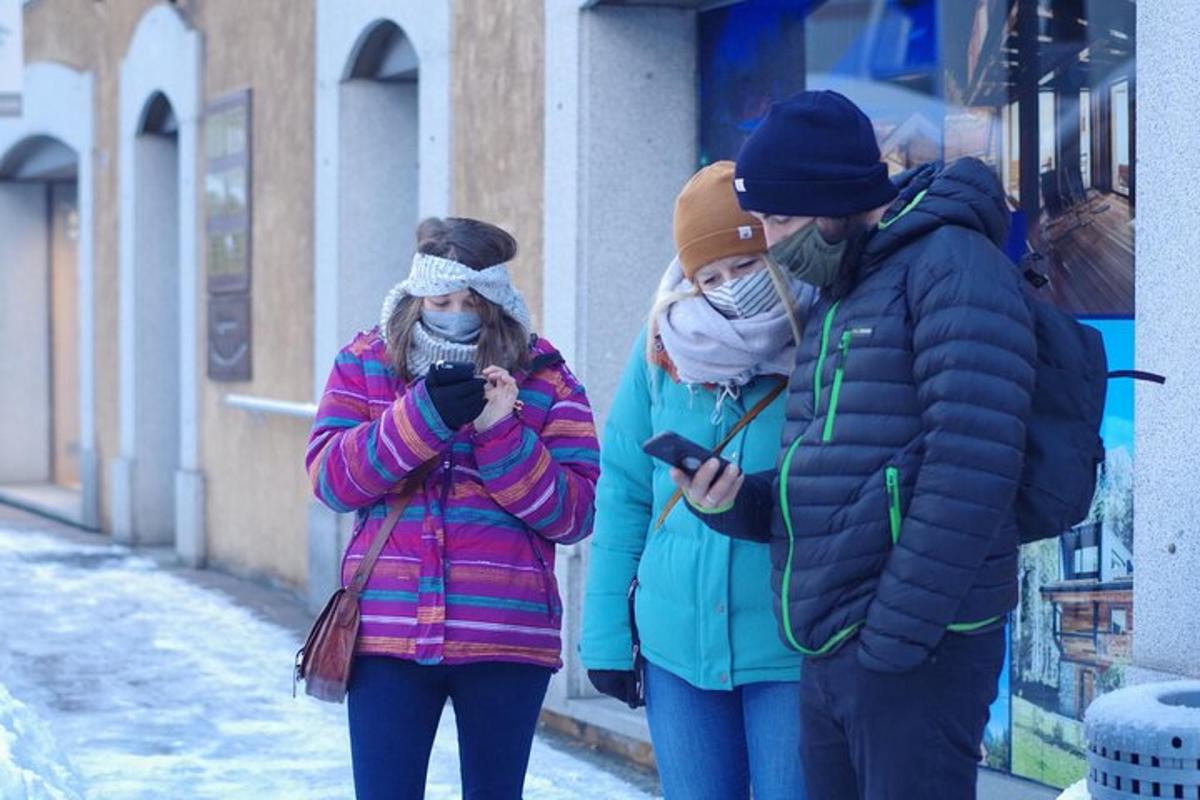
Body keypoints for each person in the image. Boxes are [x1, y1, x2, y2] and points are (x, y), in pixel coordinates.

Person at [674, 92, 1037, 799]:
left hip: (916, 646)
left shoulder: (953, 267)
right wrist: (735, 502)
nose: (771, 241)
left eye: (780, 218)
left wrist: (893, 640)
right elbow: (838, 475)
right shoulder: (845, 287)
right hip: (836, 645)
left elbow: (973, 464)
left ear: (834, 195)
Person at [306, 217, 600, 800]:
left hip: (506, 634)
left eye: (472, 301)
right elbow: (332, 481)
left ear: (496, 301)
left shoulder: (545, 376)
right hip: (386, 636)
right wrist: (423, 417)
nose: (456, 312)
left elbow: (574, 515)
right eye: (442, 299)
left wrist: (501, 433)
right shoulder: (366, 363)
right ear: (417, 298)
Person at [581, 161, 811, 800]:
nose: (730, 287)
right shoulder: (662, 346)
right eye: (710, 276)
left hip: (788, 648)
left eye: (746, 266)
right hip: (674, 648)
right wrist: (604, 635)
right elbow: (624, 487)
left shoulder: (827, 336)